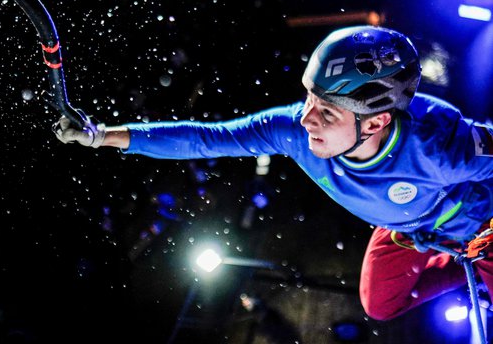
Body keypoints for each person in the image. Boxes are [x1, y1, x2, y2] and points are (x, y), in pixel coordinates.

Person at [54, 25, 493, 321]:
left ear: (375, 122)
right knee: (379, 306)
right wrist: (103, 135)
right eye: (308, 99)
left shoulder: (441, 142)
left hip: (479, 224)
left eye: (326, 112)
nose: (305, 120)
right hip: (406, 230)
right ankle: (459, 269)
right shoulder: (294, 133)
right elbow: (209, 139)